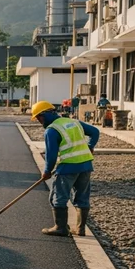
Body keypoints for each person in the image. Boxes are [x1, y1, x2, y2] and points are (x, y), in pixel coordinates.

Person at [30, 101, 99, 237]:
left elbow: (51, 155)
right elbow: (95, 132)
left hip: (68, 167)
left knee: (58, 197)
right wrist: (90, 146)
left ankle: (60, 228)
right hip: (86, 165)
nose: (39, 121)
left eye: (39, 117)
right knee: (82, 197)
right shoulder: (73, 122)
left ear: (46, 114)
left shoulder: (52, 130)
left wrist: (47, 171)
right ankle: (80, 229)